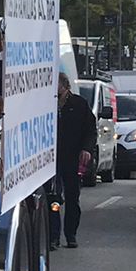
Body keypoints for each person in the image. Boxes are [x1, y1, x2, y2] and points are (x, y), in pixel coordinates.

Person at [55, 72, 99, 248]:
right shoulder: (47, 104)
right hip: (52, 159)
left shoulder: (79, 104)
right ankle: (53, 236)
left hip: (73, 157)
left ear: (64, 86)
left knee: (72, 197)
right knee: (54, 197)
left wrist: (86, 149)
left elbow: (90, 130)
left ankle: (70, 234)